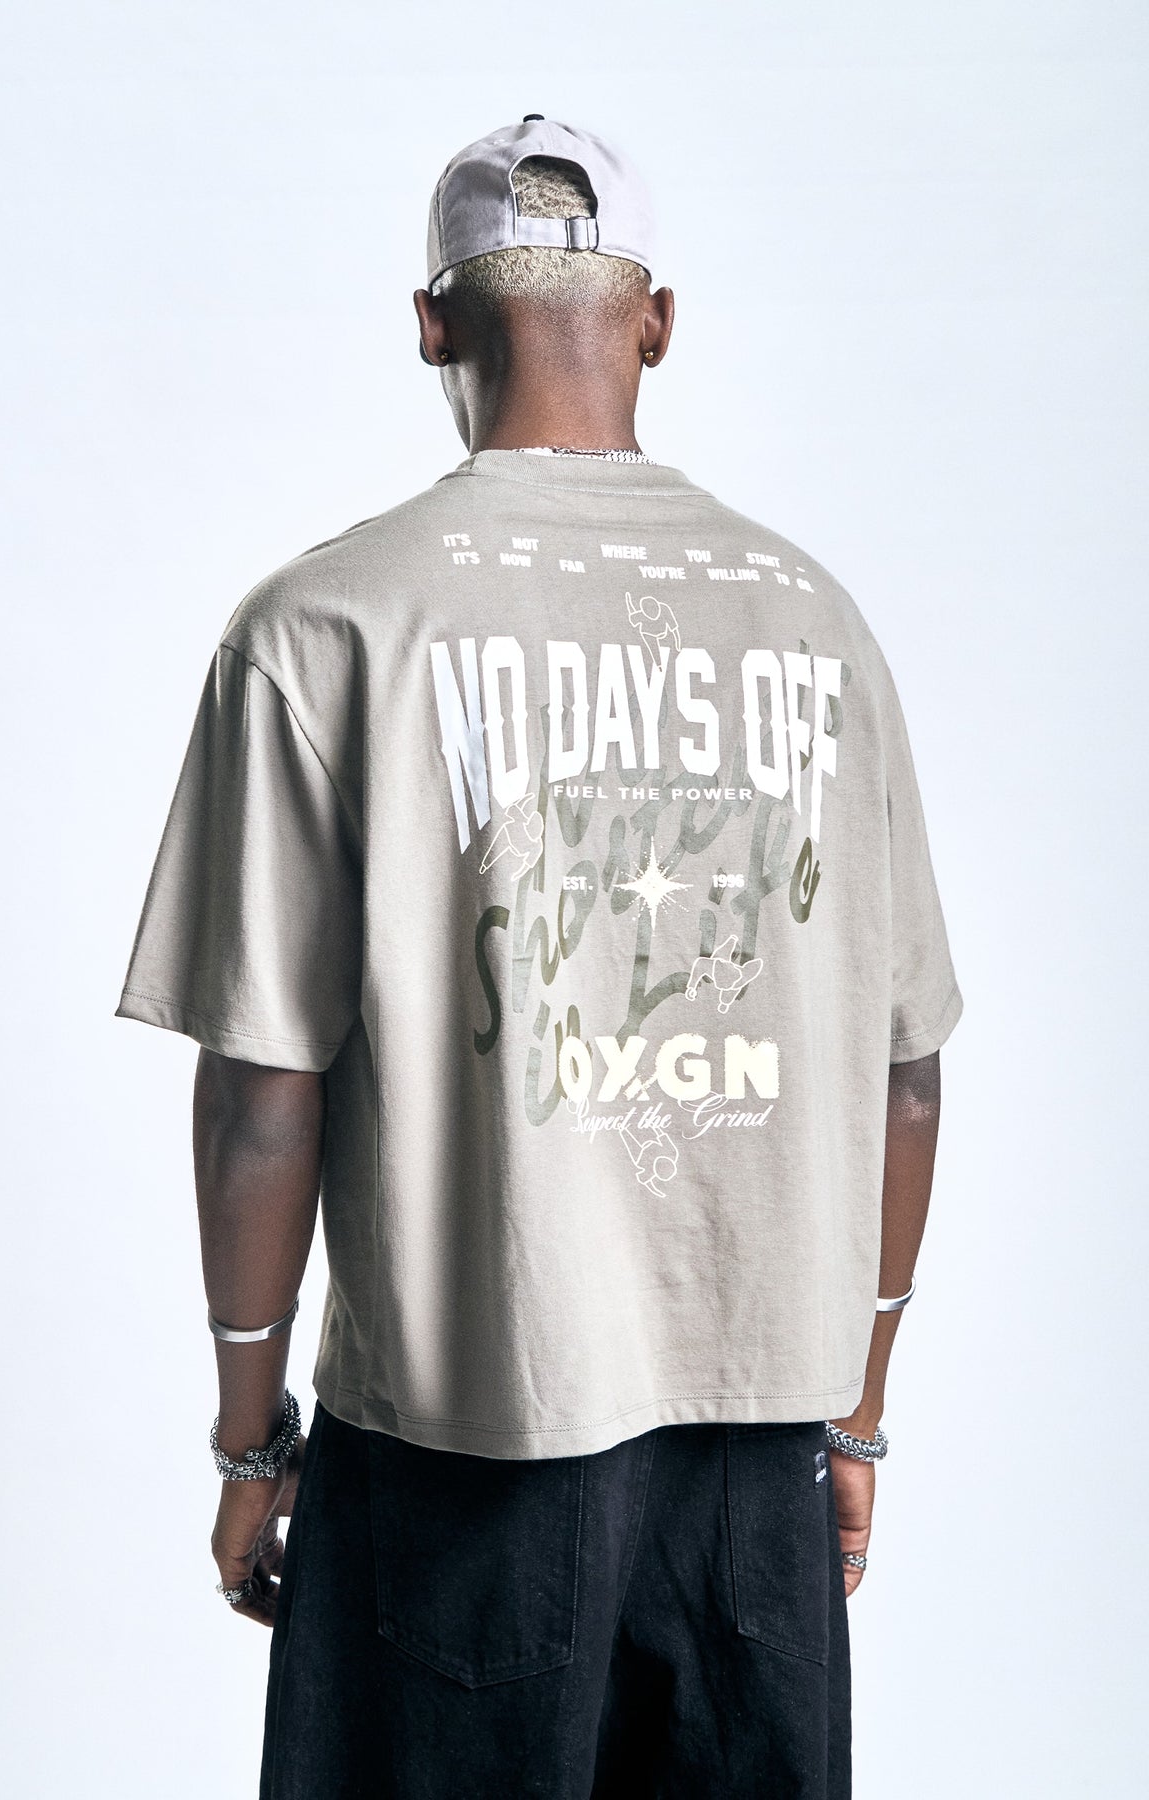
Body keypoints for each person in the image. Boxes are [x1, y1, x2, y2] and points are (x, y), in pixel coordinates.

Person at [115, 115, 962, 1800]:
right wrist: (857, 1415)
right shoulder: (816, 625)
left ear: (433, 322)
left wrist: (249, 1438)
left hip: (456, 1464)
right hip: (755, 1478)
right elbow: (908, 1075)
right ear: (658, 322)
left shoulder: (324, 627)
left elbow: (264, 1094)